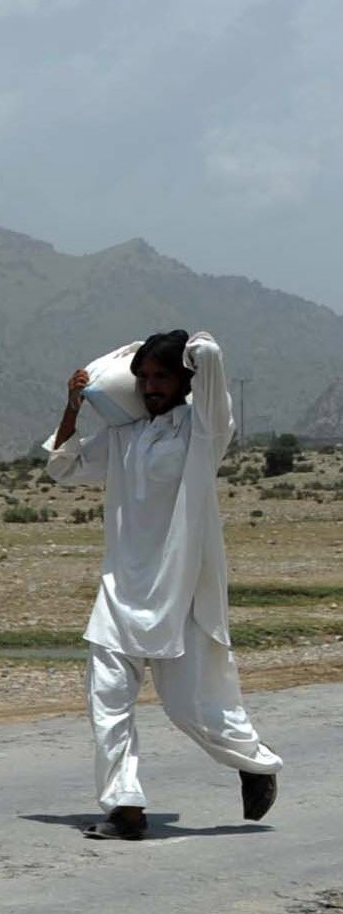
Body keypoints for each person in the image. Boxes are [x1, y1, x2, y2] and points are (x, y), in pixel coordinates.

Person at [46, 330, 283, 840]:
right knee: (106, 699)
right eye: (144, 378)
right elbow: (63, 468)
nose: (151, 387)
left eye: (162, 376)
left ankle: (255, 764)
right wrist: (73, 407)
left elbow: (212, 355)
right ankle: (125, 807)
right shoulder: (124, 435)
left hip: (180, 590)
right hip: (121, 588)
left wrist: (191, 344)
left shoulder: (203, 430)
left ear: (183, 379)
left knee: (188, 707)